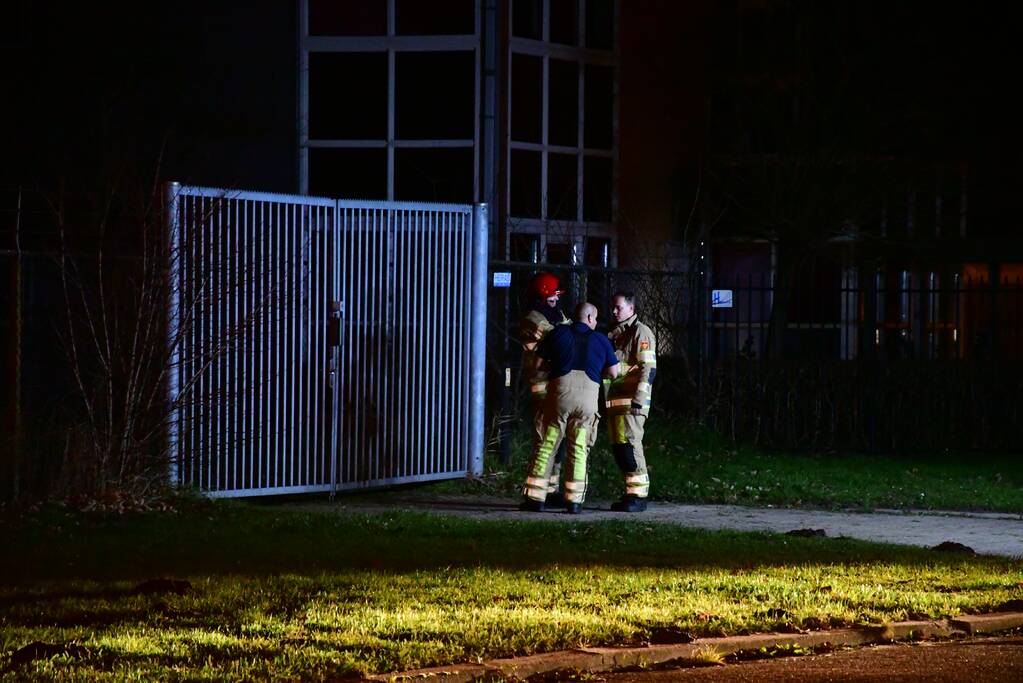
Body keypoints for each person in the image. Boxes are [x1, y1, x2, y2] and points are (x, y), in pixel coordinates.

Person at [520, 302, 619, 514]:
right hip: (587, 401)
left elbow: (537, 365)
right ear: (591, 318)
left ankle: (536, 499)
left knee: (548, 445)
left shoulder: (558, 334)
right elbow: (613, 372)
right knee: (579, 448)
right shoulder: (601, 339)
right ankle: (574, 502)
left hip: (560, 398)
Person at [518, 272, 570, 506]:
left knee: (557, 440)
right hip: (542, 387)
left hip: (557, 385)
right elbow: (560, 337)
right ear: (542, 296)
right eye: (552, 296)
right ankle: (533, 493)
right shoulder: (533, 318)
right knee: (543, 439)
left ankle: (550, 490)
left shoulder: (555, 314)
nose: (556, 300)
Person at [604, 292, 657, 512]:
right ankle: (631, 493)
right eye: (613, 307)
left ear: (631, 309)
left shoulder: (640, 332)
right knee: (622, 449)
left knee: (631, 447)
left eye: (619, 307)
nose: (614, 311)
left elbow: (648, 368)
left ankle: (638, 496)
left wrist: (639, 399)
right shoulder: (617, 334)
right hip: (617, 402)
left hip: (631, 403)